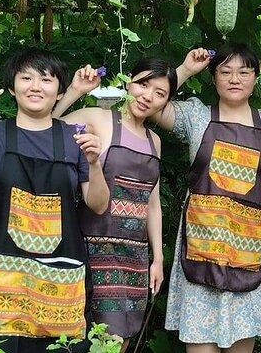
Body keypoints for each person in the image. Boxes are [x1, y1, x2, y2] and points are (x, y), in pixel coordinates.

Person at [0, 48, 109, 353]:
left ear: (59, 92)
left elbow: (98, 204)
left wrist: (94, 164)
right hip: (5, 284)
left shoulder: (74, 138)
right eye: (26, 78)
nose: (35, 86)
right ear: (12, 87)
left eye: (46, 79)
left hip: (61, 279)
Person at [152, 44, 261, 353]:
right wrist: (185, 69)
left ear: (256, 78)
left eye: (244, 72)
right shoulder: (196, 115)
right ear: (213, 77)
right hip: (201, 248)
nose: (235, 79)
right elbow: (151, 104)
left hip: (250, 250)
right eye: (226, 71)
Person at [51, 58, 177, 352]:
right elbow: (44, 129)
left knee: (125, 337)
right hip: (93, 249)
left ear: (166, 103)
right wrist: (73, 91)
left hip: (134, 256)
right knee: (95, 337)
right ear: (128, 81)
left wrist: (157, 258)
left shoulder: (154, 141)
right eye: (144, 84)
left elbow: (153, 203)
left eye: (160, 93)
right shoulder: (100, 118)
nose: (148, 96)